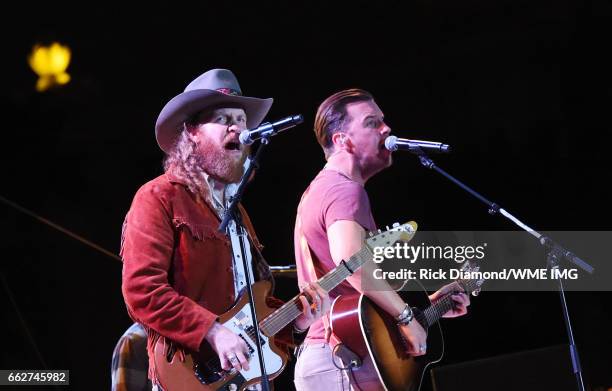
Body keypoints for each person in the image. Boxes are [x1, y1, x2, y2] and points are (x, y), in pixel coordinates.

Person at [120, 69, 329, 390]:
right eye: (222, 118)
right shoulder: (159, 197)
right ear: (191, 132)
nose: (237, 127)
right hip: (190, 370)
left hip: (246, 374)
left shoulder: (237, 210)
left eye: (241, 119)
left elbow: (252, 304)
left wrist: (297, 322)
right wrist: (212, 331)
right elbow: (142, 290)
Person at [293, 89, 471, 390]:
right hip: (343, 362)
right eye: (372, 123)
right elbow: (351, 262)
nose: (386, 129)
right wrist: (404, 317)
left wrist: (427, 308)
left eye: (384, 121)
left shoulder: (322, 188)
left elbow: (352, 296)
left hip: (335, 356)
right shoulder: (344, 190)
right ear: (342, 140)